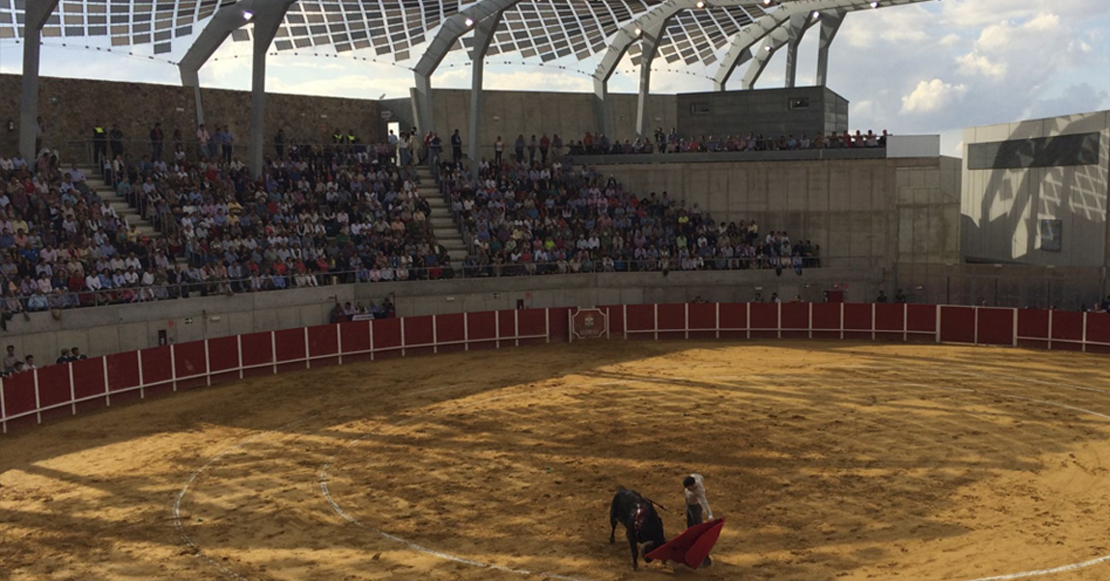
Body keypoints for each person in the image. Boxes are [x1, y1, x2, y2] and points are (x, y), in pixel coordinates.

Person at [683, 473, 714, 566]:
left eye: (689, 488)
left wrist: (710, 515)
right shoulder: (695, 477)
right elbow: (700, 476)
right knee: (690, 529)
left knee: (698, 533)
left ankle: (705, 559)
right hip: (689, 506)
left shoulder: (699, 491)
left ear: (693, 485)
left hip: (695, 508)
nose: (688, 489)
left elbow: (704, 503)